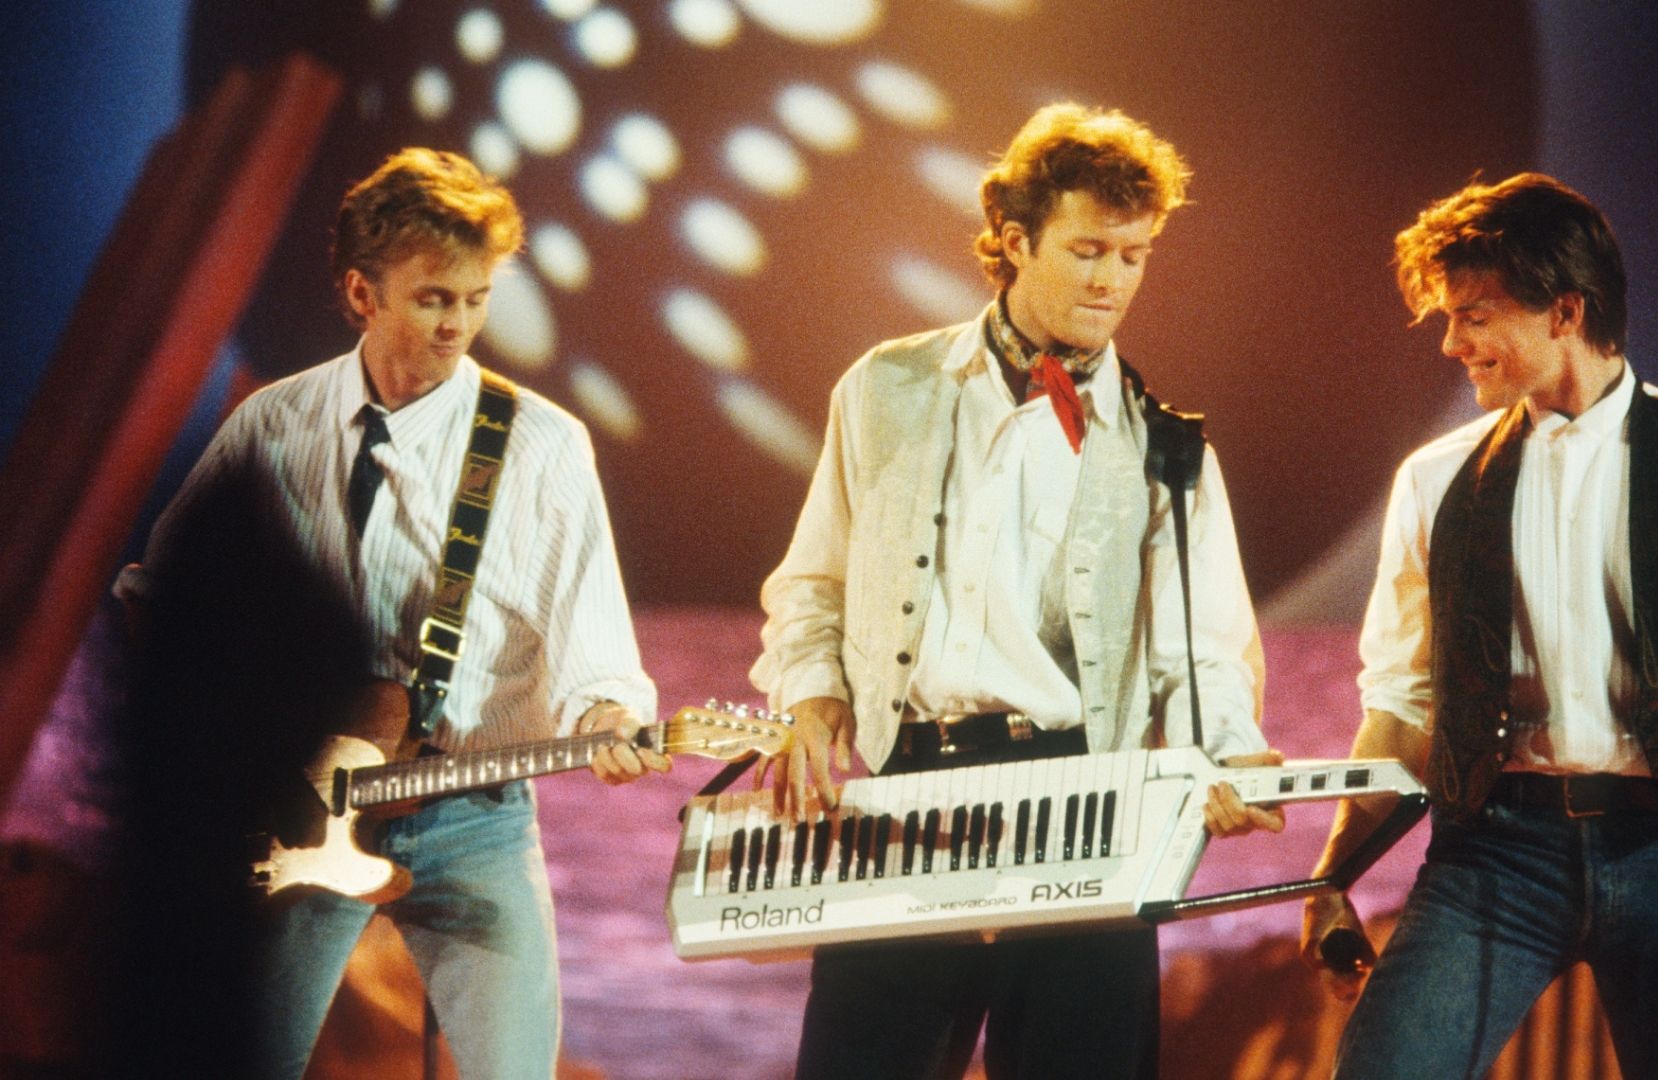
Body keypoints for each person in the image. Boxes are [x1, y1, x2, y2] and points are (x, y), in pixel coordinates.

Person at [749, 103, 1285, 1079]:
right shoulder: (885, 387)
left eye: (1135, 255)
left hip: (1085, 803)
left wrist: (1230, 758)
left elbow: (1203, 648)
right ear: (1011, 241)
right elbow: (814, 580)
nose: (1112, 279)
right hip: (908, 800)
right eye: (1088, 249)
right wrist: (812, 701)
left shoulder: (1167, 445)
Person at [114, 148, 666, 1080]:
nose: (459, 324)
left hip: (474, 811)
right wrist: (238, 752)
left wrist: (612, 716)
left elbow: (596, 640)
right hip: (295, 814)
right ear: (362, 294)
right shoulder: (271, 424)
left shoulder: (542, 446)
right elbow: (158, 606)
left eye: (476, 298)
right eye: (433, 298)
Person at [1299, 172, 1658, 1079]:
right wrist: (1330, 877)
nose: (1451, 342)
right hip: (1494, 858)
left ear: (1564, 311)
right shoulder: (1434, 481)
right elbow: (1400, 704)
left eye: (1474, 315)